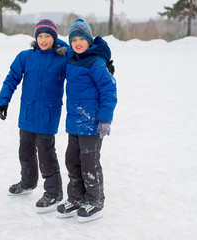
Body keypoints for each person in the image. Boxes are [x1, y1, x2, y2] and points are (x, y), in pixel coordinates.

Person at [0, 19, 68, 213]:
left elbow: (82, 66)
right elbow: (12, 78)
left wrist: (103, 66)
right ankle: (27, 182)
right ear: (35, 38)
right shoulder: (25, 57)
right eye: (40, 36)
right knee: (25, 151)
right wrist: (3, 100)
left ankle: (54, 193)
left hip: (48, 113)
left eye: (48, 36)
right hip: (27, 113)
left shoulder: (63, 58)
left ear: (54, 38)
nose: (43, 40)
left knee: (46, 153)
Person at [56, 19, 117, 222]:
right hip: (74, 123)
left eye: (82, 39)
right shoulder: (72, 59)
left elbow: (109, 90)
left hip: (92, 125)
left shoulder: (96, 63)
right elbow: (58, 48)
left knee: (89, 164)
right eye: (74, 40)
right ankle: (76, 197)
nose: (78, 43)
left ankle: (95, 201)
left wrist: (105, 119)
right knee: (72, 161)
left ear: (89, 41)